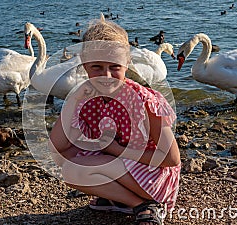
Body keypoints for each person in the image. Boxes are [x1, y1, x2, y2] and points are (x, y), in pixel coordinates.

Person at [48, 14, 180, 225]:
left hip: (154, 177)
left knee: (74, 169)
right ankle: (123, 199)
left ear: (127, 63)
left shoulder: (144, 101)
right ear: (84, 65)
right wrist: (73, 98)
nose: (106, 76)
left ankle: (145, 204)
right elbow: (58, 147)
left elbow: (171, 158)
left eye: (115, 67)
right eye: (96, 67)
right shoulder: (88, 98)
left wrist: (116, 150)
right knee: (67, 159)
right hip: (125, 167)